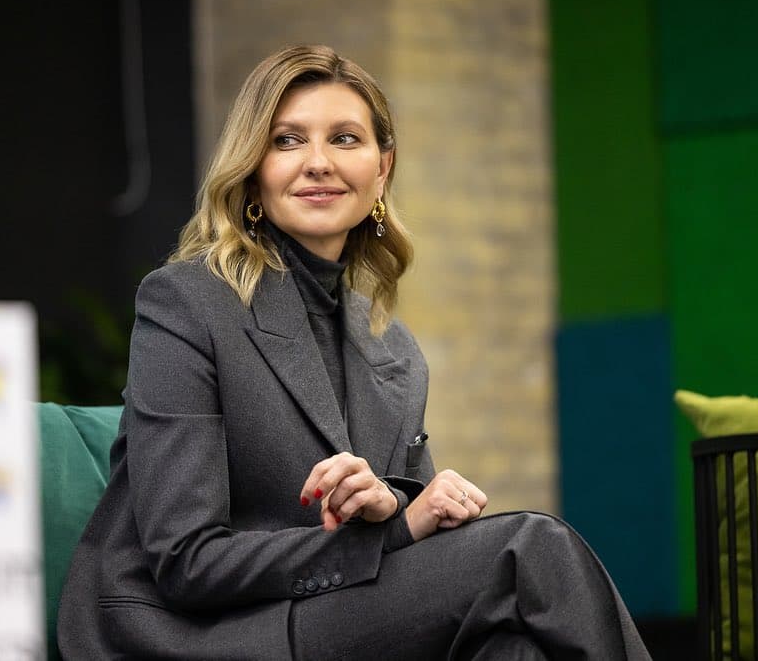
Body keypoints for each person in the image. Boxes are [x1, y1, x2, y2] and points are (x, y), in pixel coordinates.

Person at [57, 44, 651, 660]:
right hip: (200, 636)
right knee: (527, 548)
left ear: (382, 168)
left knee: (513, 649)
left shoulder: (394, 349)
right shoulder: (187, 303)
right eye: (288, 141)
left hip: (335, 615)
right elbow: (189, 561)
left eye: (345, 139)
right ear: (254, 169)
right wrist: (390, 532)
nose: (319, 163)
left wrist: (405, 507)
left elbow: (415, 541)